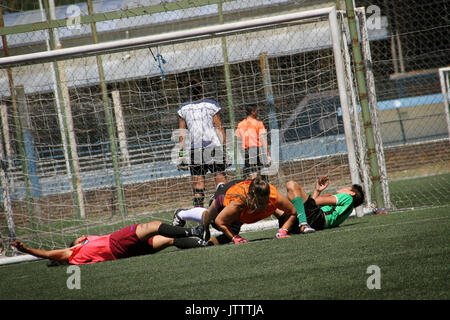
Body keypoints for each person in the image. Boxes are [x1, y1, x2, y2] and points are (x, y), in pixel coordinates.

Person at [174, 175, 313, 246]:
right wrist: (235, 238)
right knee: (210, 220)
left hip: (243, 191)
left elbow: (293, 212)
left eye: (267, 201)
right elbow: (219, 221)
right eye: (261, 202)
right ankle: (181, 214)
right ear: (253, 199)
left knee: (227, 235)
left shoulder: (274, 196)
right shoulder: (238, 203)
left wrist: (283, 231)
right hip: (223, 198)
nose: (265, 205)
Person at [9, 221, 207, 265]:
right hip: (117, 244)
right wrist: (25, 249)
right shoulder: (73, 253)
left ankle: (204, 244)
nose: (81, 236)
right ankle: (194, 231)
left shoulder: (86, 242)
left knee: (170, 240)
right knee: (152, 226)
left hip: (122, 252)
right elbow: (49, 254)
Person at [177, 78, 228, 207]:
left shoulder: (184, 108)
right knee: (220, 179)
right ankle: (224, 209)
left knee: (198, 186)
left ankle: (199, 214)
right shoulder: (211, 104)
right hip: (214, 147)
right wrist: (225, 149)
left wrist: (181, 155)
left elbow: (182, 133)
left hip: (196, 149)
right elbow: (219, 127)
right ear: (202, 89)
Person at [275, 176, 365, 233]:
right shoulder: (345, 208)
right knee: (271, 200)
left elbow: (317, 201)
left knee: (291, 185)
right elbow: (311, 205)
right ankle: (295, 226)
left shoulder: (347, 198)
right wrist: (317, 191)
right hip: (313, 221)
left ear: (351, 193)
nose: (343, 188)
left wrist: (295, 201)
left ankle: (303, 224)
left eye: (346, 188)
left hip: (317, 218)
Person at [235, 104, 271, 180]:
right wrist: (268, 155)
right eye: (256, 111)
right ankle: (265, 187)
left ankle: (254, 188)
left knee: (252, 172)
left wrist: (243, 153)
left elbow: (239, 140)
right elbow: (263, 139)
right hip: (258, 149)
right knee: (263, 171)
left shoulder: (240, 124)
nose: (257, 113)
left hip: (247, 150)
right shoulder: (258, 123)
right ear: (253, 112)